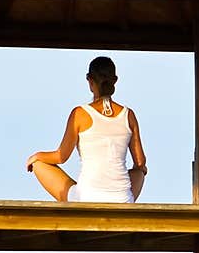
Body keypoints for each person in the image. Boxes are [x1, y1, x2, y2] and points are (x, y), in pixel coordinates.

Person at [26, 56, 147, 203]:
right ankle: (121, 196)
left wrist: (37, 156)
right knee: (139, 172)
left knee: (39, 164)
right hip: (122, 199)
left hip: (86, 198)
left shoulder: (79, 113)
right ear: (115, 80)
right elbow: (140, 162)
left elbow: (61, 156)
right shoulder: (128, 115)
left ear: (89, 80)